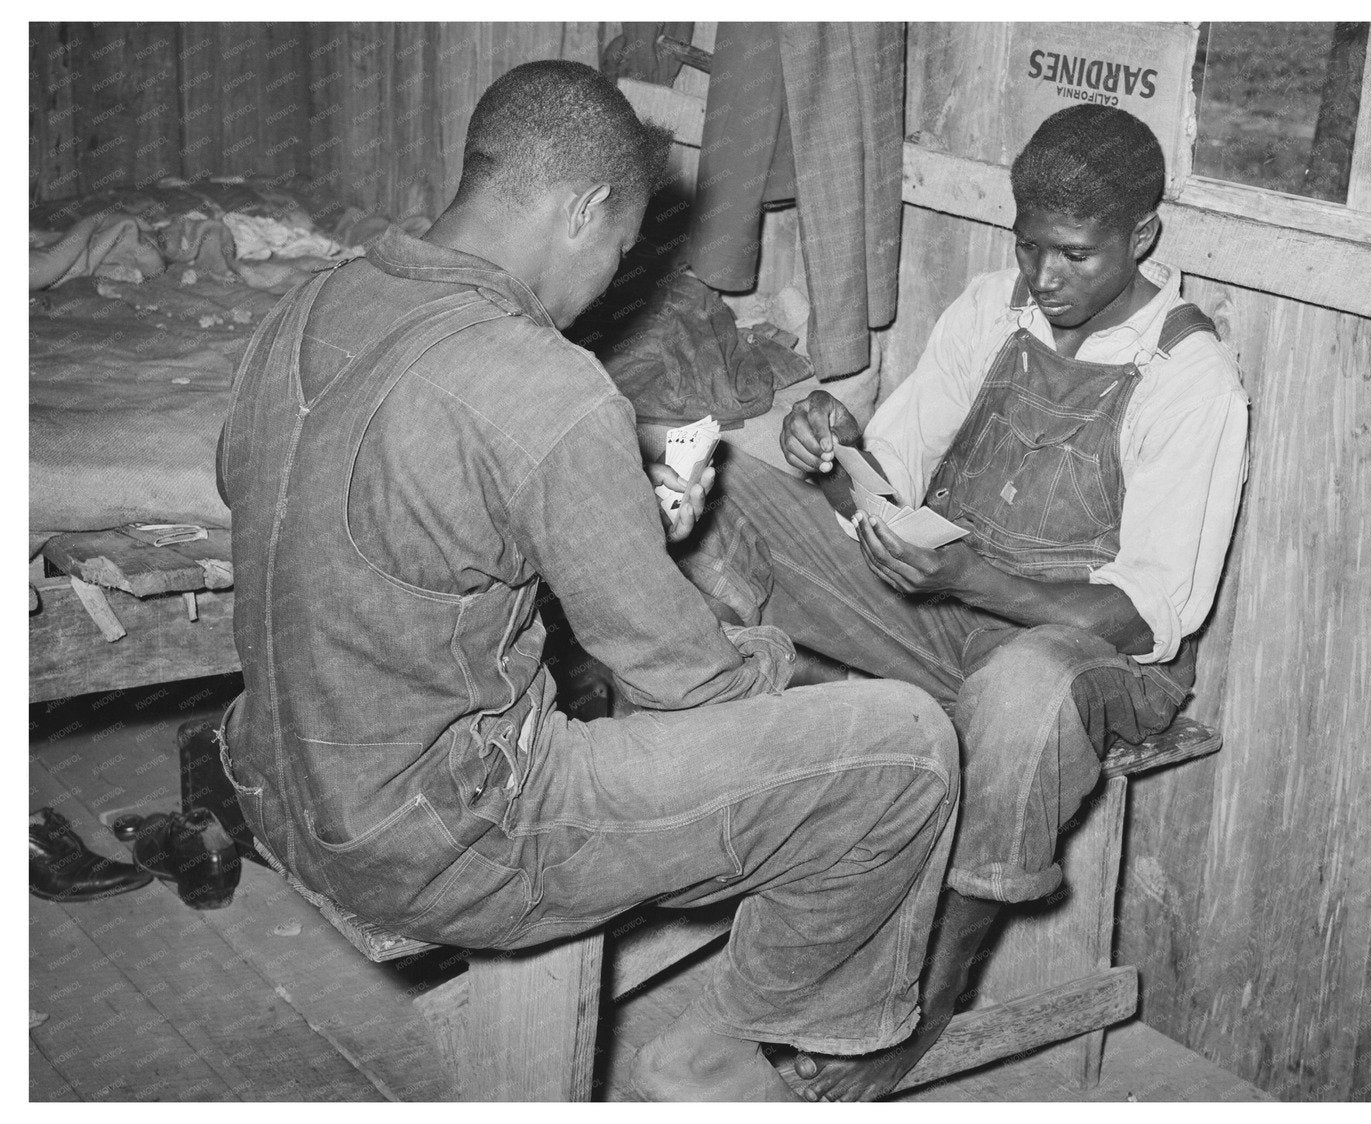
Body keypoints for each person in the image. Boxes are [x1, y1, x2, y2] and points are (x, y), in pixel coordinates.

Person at [215, 61, 959, 1102]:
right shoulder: (546, 385)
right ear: (585, 209)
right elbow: (687, 683)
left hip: (275, 780)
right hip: (445, 843)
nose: (612, 278)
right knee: (906, 746)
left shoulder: (311, 304)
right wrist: (778, 663)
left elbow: (329, 494)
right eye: (619, 248)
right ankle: (749, 1044)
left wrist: (596, 491)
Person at [679, 103, 1250, 1100]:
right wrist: (833, 443)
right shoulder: (993, 309)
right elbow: (889, 475)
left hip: (1091, 654)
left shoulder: (1189, 374)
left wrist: (975, 582)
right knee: (724, 482)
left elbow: (1153, 612)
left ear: (1141, 237)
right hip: (945, 608)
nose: (1045, 276)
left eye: (1075, 255)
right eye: (1030, 246)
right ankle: (741, 801)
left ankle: (927, 994)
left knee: (1024, 693)